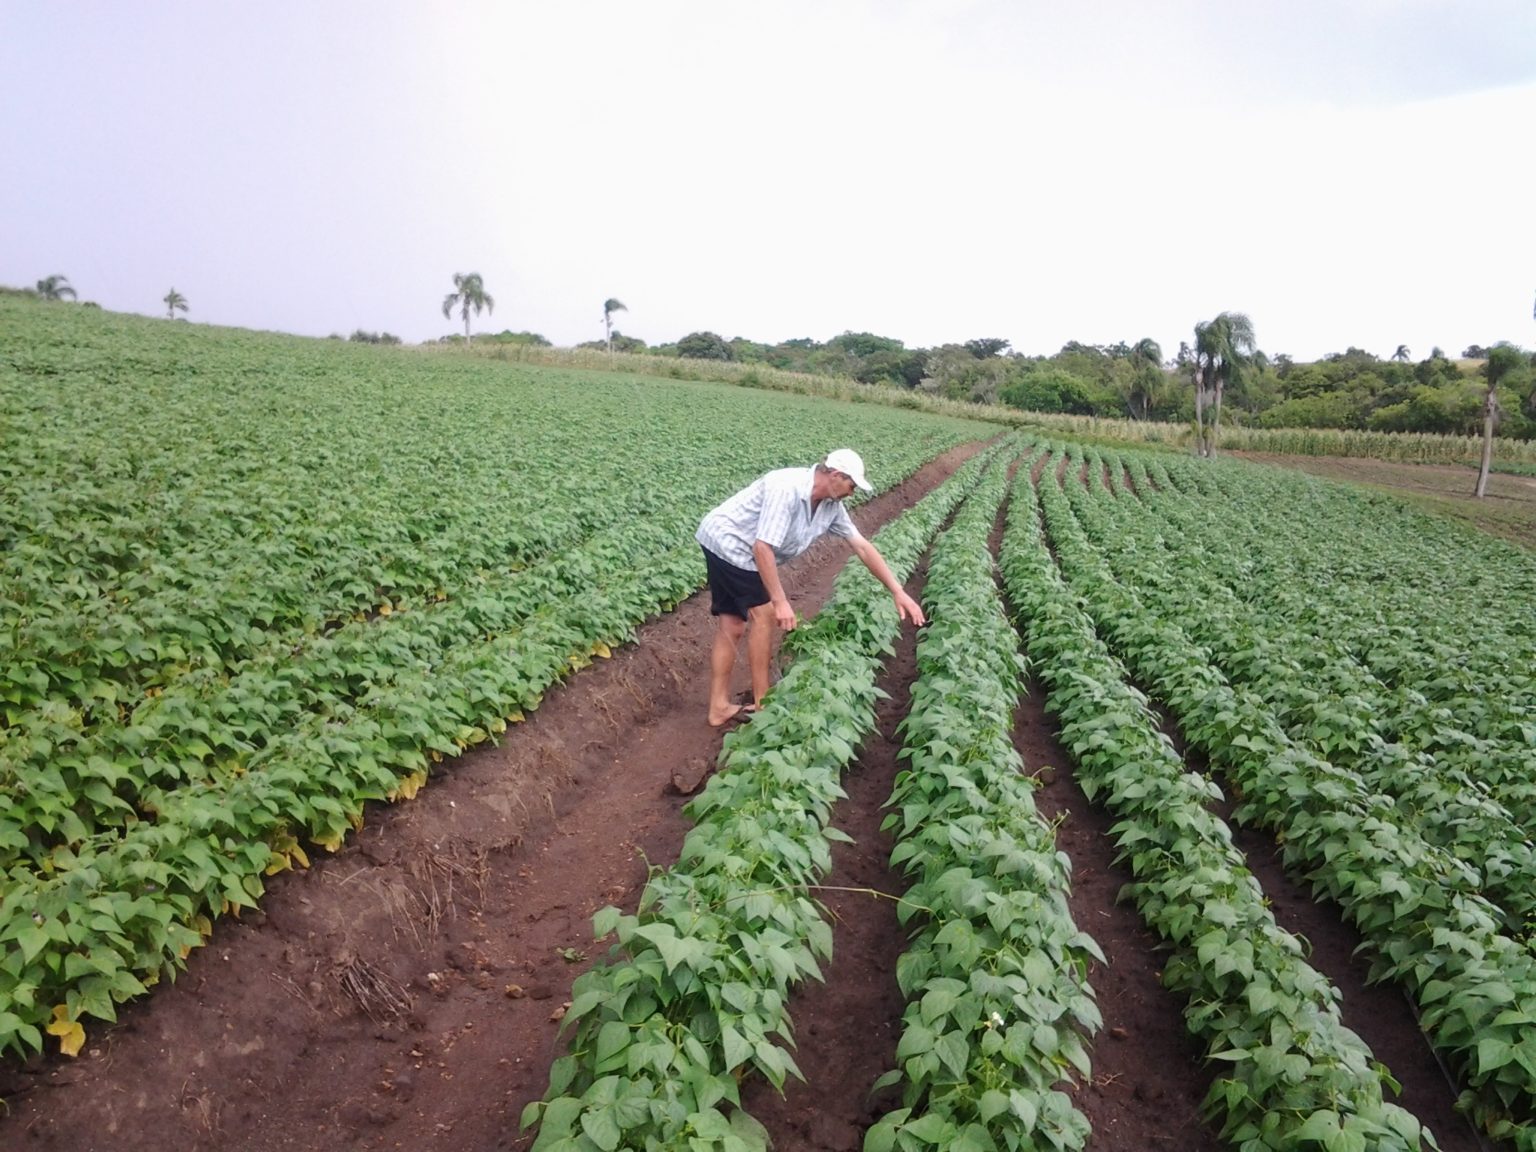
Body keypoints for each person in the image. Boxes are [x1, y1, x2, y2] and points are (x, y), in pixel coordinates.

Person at [695, 448, 926, 727]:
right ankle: (763, 704)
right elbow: (762, 547)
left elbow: (862, 547)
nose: (852, 493)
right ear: (836, 475)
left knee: (733, 624)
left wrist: (897, 591)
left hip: (744, 547)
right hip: (729, 541)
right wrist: (779, 601)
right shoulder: (787, 488)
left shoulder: (831, 507)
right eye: (851, 485)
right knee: (765, 614)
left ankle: (719, 707)